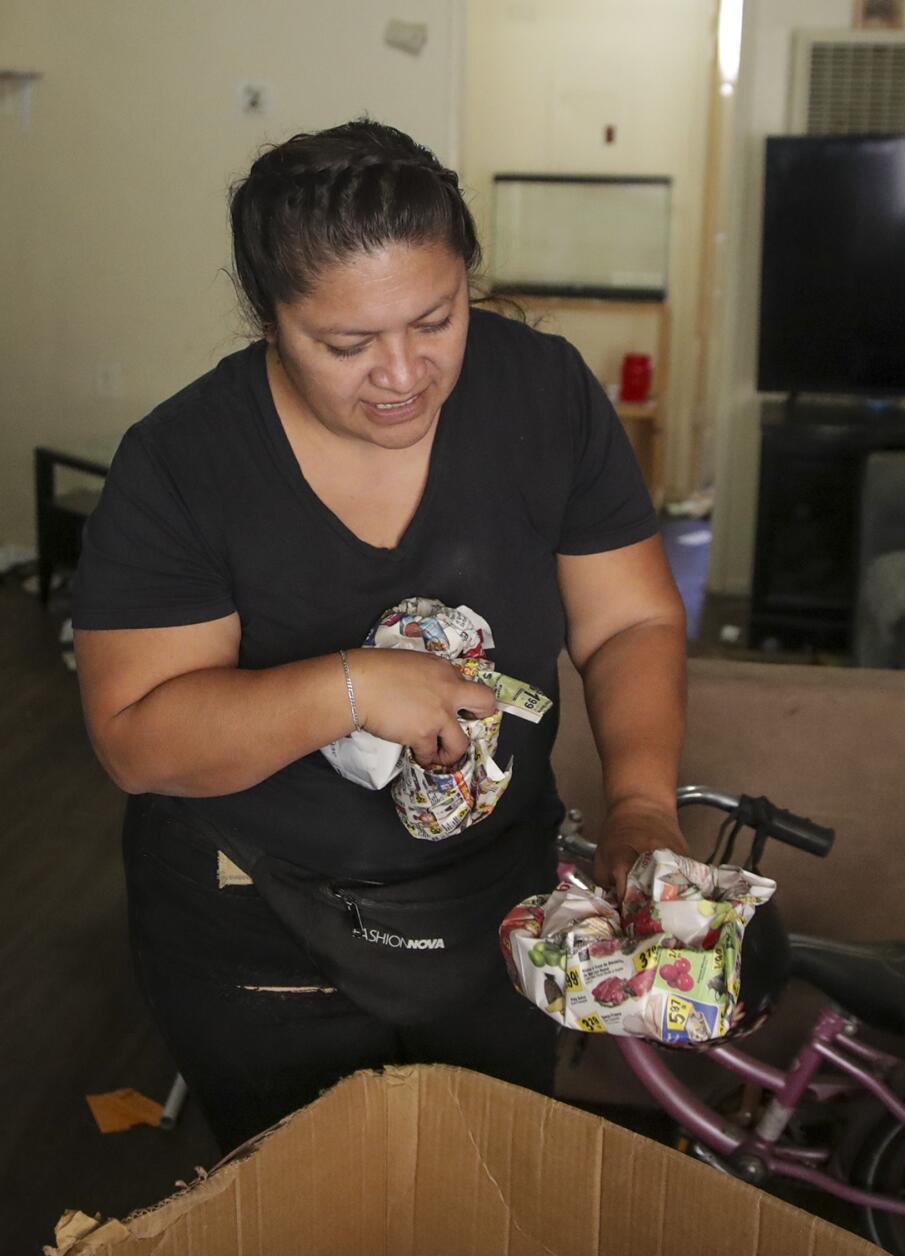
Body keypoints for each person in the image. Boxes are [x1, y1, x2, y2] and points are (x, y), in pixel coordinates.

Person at [71, 119, 690, 1153]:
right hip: (258, 920)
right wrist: (349, 688)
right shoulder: (185, 461)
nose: (401, 373)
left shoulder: (541, 395)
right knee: (307, 1228)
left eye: (435, 320)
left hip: (495, 900)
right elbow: (135, 736)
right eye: (344, 344)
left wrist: (638, 797)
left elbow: (627, 616)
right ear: (268, 319)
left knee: (484, 1201)